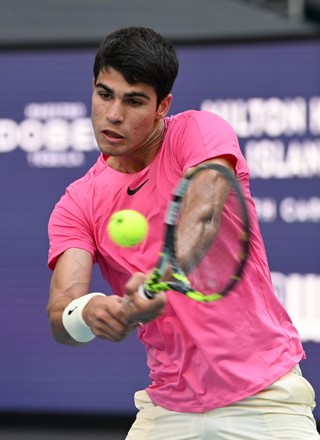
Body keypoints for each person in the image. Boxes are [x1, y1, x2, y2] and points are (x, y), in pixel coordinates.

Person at [47, 27, 319, 439]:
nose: (114, 114)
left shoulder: (199, 131)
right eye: (105, 95)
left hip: (265, 397)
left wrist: (161, 276)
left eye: (134, 101)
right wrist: (91, 313)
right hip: (167, 407)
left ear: (162, 106)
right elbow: (60, 310)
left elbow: (203, 211)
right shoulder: (77, 202)